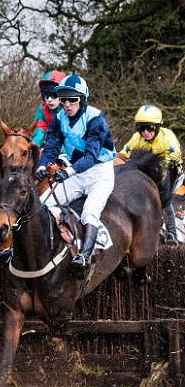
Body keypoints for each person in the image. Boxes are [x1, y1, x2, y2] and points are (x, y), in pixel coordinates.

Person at [35, 74, 117, 274]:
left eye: (73, 99)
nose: (67, 104)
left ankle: (84, 255)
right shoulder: (58, 119)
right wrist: (41, 166)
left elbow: (91, 156)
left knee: (89, 212)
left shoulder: (96, 118)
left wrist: (67, 172)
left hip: (99, 173)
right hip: (77, 173)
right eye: (63, 99)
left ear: (82, 99)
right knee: (42, 203)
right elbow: (51, 148)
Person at [115, 104, 183, 244]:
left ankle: (172, 233)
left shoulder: (168, 138)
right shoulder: (136, 138)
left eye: (149, 128)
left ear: (158, 126)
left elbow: (170, 166)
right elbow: (121, 157)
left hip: (171, 172)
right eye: (141, 128)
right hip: (146, 172)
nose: (145, 132)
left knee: (163, 195)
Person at [31, 70, 66, 148]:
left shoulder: (71, 110)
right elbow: (39, 131)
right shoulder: (42, 111)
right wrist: (34, 147)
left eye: (53, 95)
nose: (49, 99)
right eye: (46, 95)